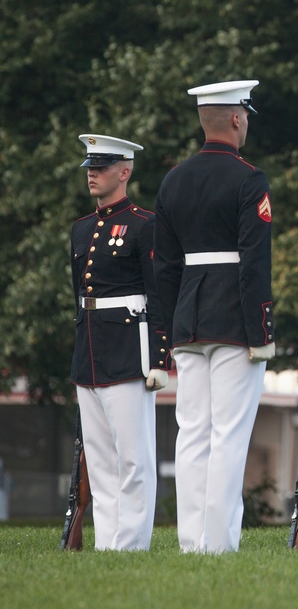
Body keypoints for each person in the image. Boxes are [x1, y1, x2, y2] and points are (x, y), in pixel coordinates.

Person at [154, 80, 274, 553]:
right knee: (228, 433)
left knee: (193, 433)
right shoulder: (249, 179)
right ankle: (218, 544)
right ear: (238, 119)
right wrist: (261, 329)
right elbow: (254, 262)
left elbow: (164, 268)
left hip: (188, 316)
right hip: (233, 319)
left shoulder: (172, 180)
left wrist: (165, 331)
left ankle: (190, 542)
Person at [70, 134, 169, 550]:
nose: (92, 173)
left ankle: (131, 544)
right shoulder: (81, 229)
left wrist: (160, 358)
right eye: (90, 165)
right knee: (100, 458)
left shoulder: (144, 226)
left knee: (133, 457)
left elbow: (160, 295)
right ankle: (107, 544)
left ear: (124, 171)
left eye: (102, 165)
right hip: (90, 349)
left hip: (129, 348)